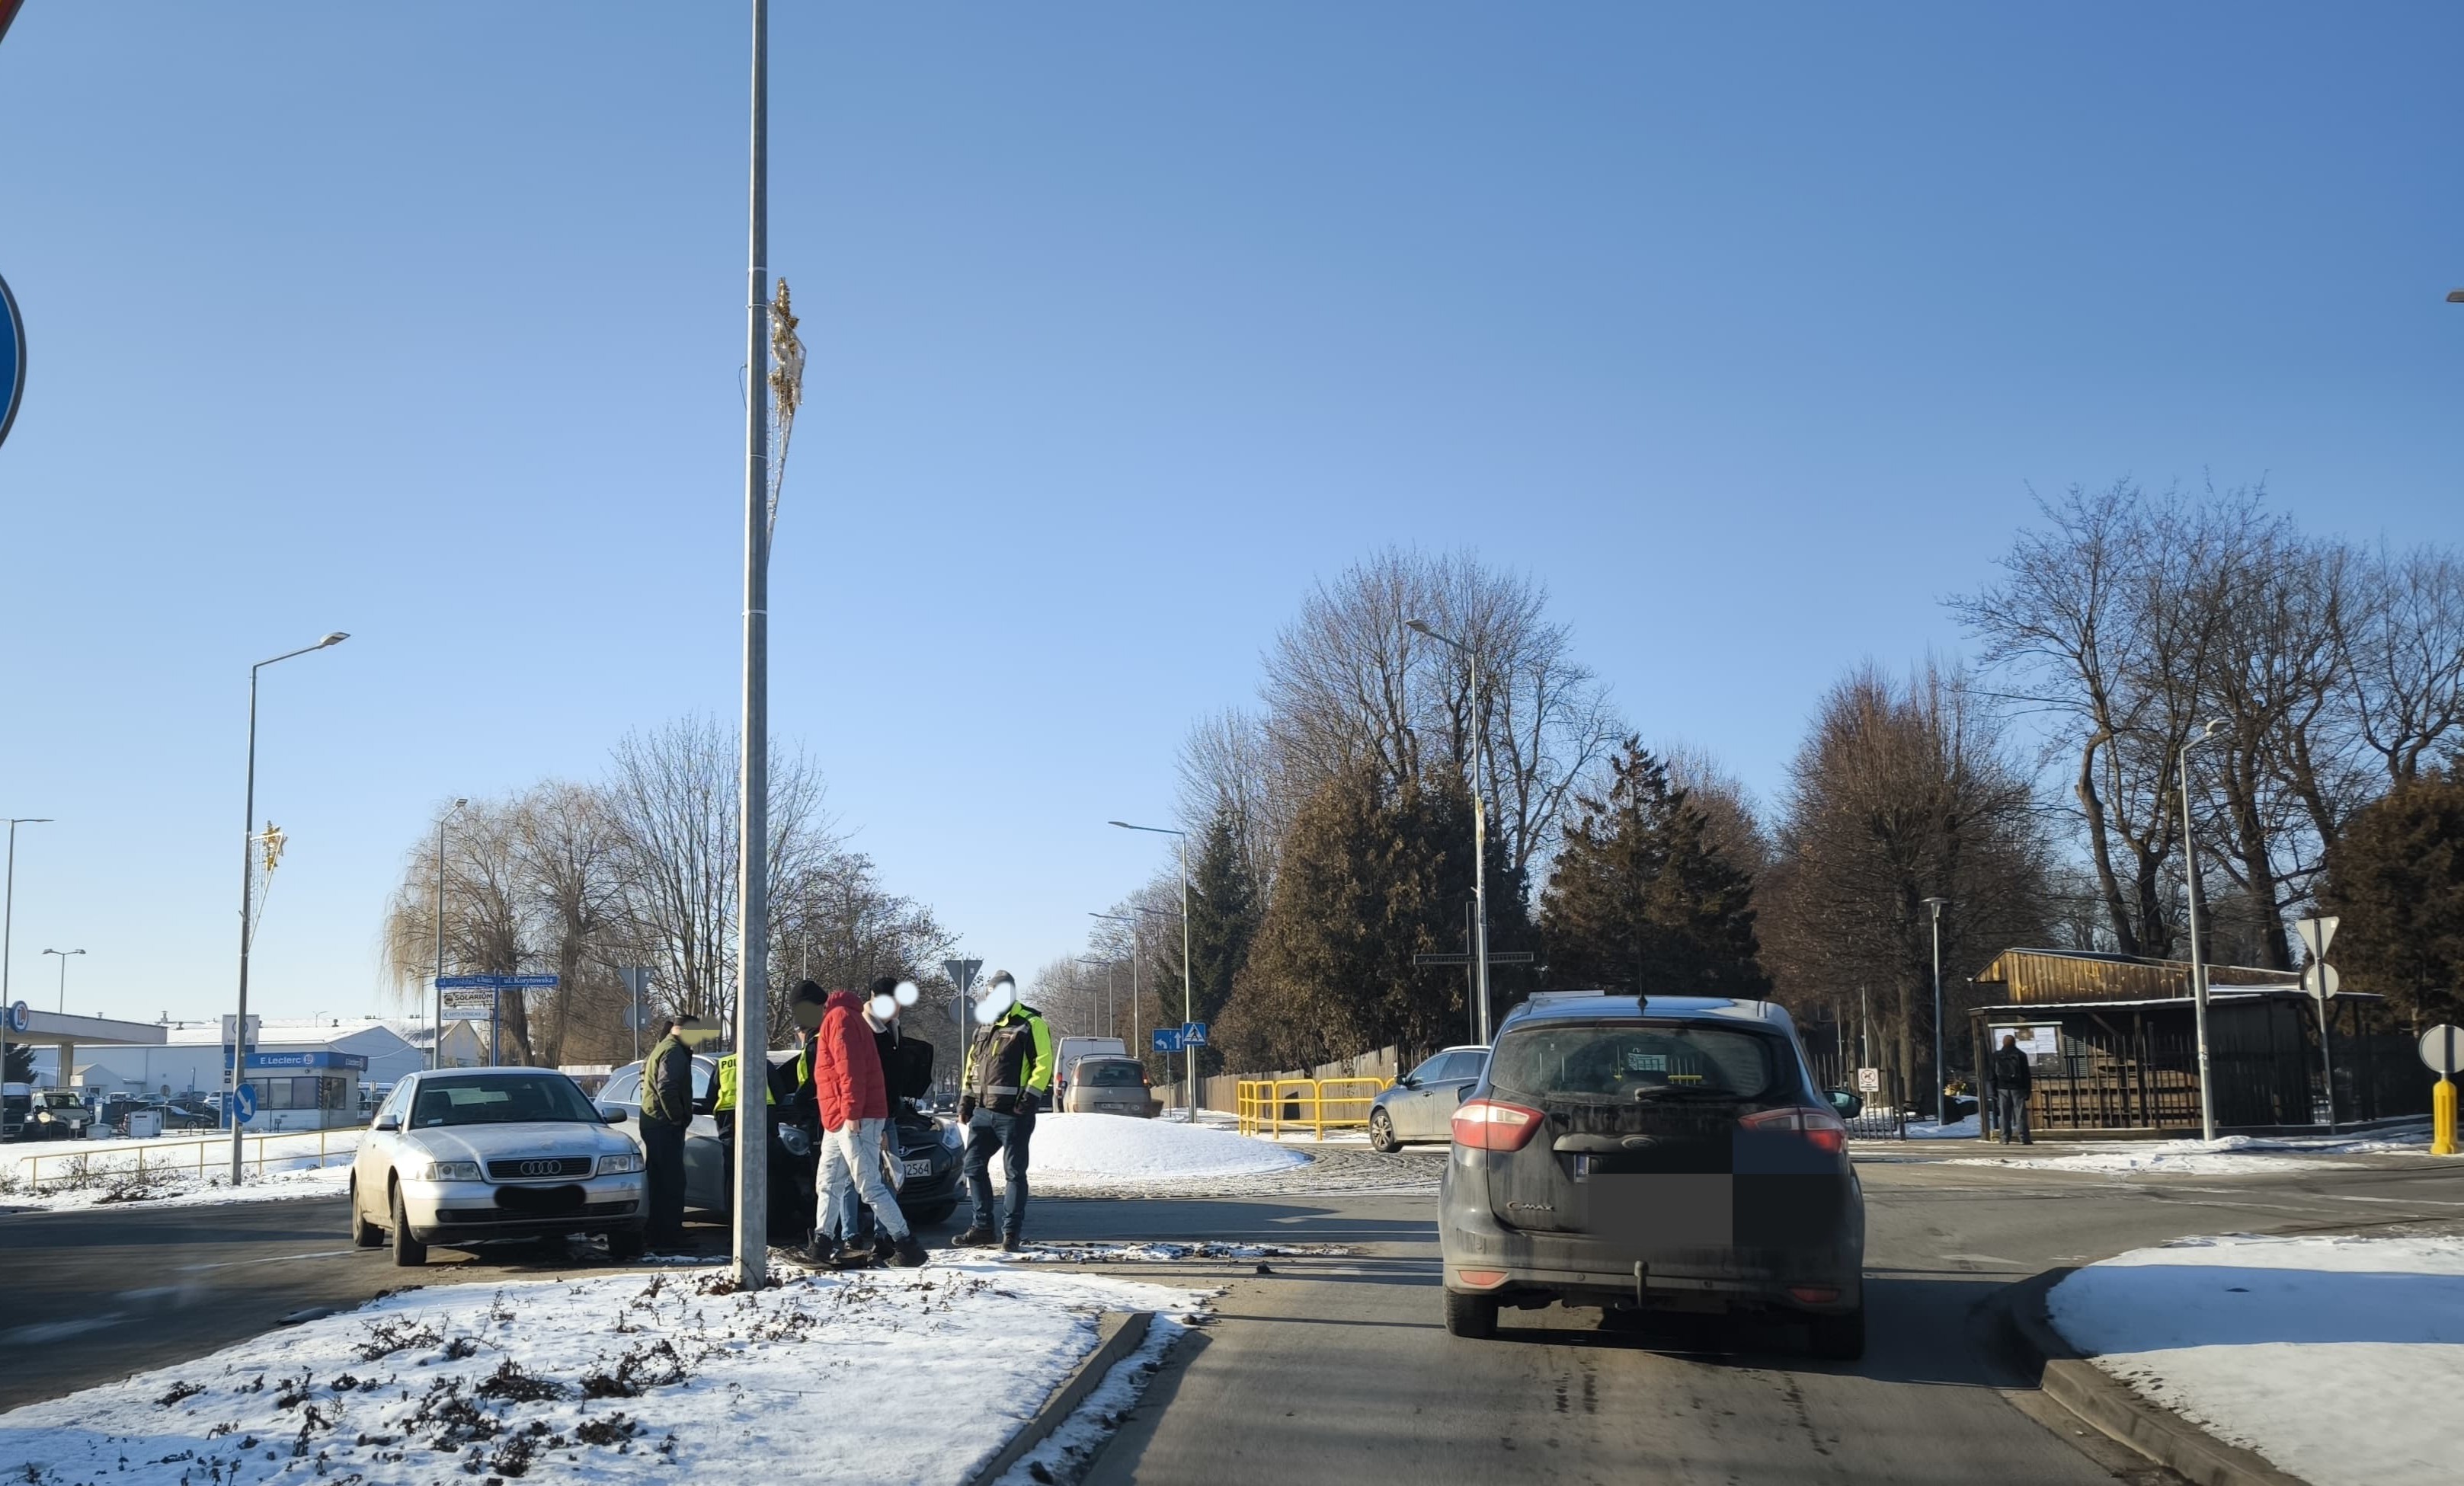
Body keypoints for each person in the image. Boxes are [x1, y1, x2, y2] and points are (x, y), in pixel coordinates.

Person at [808, 985, 927, 1269]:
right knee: (828, 1181)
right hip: (841, 1116)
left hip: (852, 1116)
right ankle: (822, 1242)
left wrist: (851, 1112)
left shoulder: (840, 1019)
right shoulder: (846, 1017)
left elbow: (849, 1069)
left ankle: (906, 1243)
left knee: (867, 1185)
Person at [954, 970, 1054, 1252]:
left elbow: (1043, 1063)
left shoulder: (1031, 1023)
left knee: (1014, 1173)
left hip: (1014, 1114)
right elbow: (971, 1066)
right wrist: (966, 1100)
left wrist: (1030, 1099)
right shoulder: (984, 1027)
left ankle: (1011, 1233)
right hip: (983, 1113)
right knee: (972, 1166)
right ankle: (983, 1227)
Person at [638, 1015, 695, 1252]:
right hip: (664, 1124)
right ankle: (668, 1237)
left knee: (659, 1181)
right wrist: (677, 1117)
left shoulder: (663, 1047)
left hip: (654, 1122)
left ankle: (658, 1234)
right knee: (671, 1182)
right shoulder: (673, 1051)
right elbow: (667, 1087)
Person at [1990, 1032, 2034, 1146]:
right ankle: (2024, 1138)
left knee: (2004, 1114)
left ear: (2003, 1043)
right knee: (2020, 1114)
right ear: (2014, 1042)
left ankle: (2004, 1138)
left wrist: (1992, 1090)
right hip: (2018, 1088)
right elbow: (2026, 1074)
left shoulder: (1996, 1055)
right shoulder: (2021, 1055)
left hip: (2002, 1087)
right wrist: (2027, 1090)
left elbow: (1991, 1074)